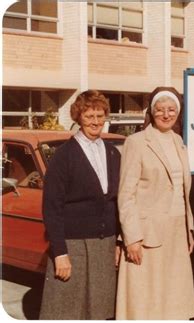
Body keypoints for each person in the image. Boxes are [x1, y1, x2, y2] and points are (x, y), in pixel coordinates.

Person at [115, 86, 194, 320]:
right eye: (160, 109)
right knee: (145, 301)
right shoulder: (137, 142)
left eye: (171, 109)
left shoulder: (179, 141)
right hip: (146, 234)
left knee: (172, 298)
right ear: (152, 111)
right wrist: (131, 238)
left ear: (178, 112)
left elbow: (182, 191)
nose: (166, 114)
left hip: (177, 231)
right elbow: (126, 194)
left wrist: (189, 230)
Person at [40, 90, 121, 320]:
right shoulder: (63, 156)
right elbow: (51, 209)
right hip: (72, 247)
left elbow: (117, 202)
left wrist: (118, 241)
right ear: (78, 117)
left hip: (104, 246)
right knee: (68, 311)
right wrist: (60, 253)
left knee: (99, 311)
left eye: (100, 115)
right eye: (89, 116)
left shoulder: (113, 153)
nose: (95, 121)